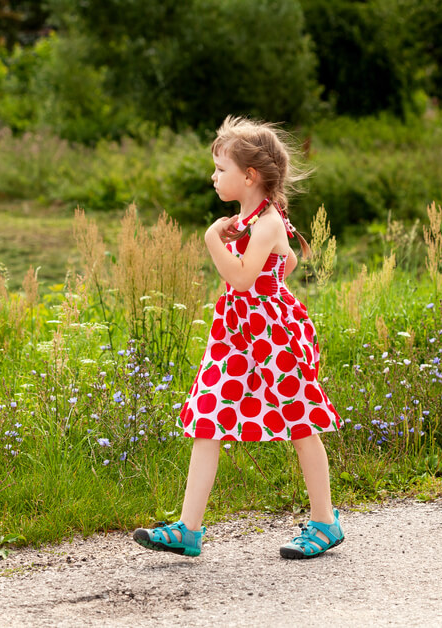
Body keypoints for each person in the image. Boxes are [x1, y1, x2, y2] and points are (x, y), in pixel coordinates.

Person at [132, 116, 344, 560]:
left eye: (220, 169)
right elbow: (285, 264)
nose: (213, 176)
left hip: (272, 338)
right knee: (207, 417)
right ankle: (189, 529)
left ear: (248, 176)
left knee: (301, 423)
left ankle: (325, 521)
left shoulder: (265, 221)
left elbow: (245, 279)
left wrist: (213, 239)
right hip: (235, 336)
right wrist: (272, 272)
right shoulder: (252, 220)